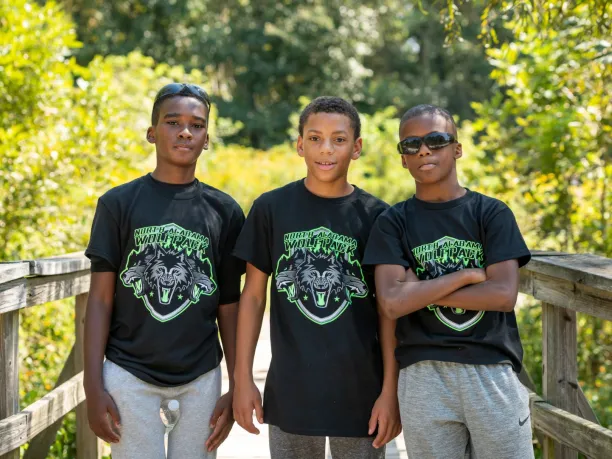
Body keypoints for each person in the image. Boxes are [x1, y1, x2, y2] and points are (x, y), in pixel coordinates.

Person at [232, 96, 401, 459]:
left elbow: (389, 312)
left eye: (339, 140)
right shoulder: (271, 208)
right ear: (299, 144)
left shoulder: (377, 216)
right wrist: (242, 378)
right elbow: (253, 297)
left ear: (356, 148)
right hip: (291, 393)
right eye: (314, 138)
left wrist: (390, 391)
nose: (326, 149)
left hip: (362, 396)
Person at [83, 83, 245, 459]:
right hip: (128, 372)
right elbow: (100, 302)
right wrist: (93, 387)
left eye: (197, 125)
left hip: (201, 377)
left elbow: (229, 306)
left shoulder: (225, 211)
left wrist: (236, 386)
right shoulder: (117, 204)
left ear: (206, 138)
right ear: (152, 132)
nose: (186, 131)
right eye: (173, 122)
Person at [363, 104, 534, 459]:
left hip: (491, 370)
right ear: (403, 159)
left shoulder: (491, 213)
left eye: (436, 140)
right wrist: (468, 276)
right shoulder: (393, 222)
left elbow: (503, 294)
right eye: (411, 144)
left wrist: (418, 291)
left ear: (457, 149)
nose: (423, 150)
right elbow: (392, 303)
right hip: (424, 376)